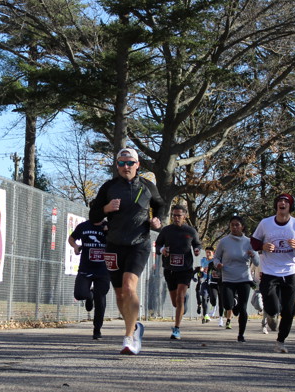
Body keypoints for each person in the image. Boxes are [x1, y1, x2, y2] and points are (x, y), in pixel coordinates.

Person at [88, 148, 165, 355]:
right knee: (120, 293)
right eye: (121, 163)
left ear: (137, 165)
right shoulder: (108, 187)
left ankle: (129, 337)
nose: (126, 167)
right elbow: (93, 215)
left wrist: (158, 220)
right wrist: (106, 209)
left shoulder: (147, 186)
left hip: (139, 243)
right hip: (114, 245)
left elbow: (159, 205)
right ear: (117, 166)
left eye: (130, 163)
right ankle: (134, 326)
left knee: (129, 286)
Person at [250, 193, 295, 353]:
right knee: (271, 305)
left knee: (288, 310)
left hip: (290, 271)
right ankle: (271, 314)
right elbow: (254, 241)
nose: (282, 203)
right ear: (276, 205)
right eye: (280, 201)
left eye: (286, 201)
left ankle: (280, 341)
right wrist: (262, 246)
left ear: (290, 206)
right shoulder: (265, 223)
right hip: (269, 271)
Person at [155, 205, 201, 340]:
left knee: (180, 297)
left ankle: (176, 329)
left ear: (184, 216)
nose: (176, 218)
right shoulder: (166, 230)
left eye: (178, 215)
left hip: (185, 269)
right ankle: (183, 301)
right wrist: (162, 250)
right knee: (176, 303)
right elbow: (158, 245)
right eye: (174, 215)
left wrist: (197, 250)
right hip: (170, 269)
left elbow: (197, 244)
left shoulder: (190, 231)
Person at [212, 216, 260, 342]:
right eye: (232, 225)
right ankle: (234, 304)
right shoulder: (224, 242)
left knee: (242, 308)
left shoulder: (249, 242)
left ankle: (241, 334)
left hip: (244, 278)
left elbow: (257, 261)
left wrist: (253, 255)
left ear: (242, 226)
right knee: (228, 305)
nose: (234, 227)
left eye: (237, 225)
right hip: (228, 278)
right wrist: (218, 264)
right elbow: (216, 257)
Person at [68, 217, 110, 340]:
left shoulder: (110, 226)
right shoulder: (83, 226)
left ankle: (97, 329)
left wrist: (108, 231)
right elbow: (71, 238)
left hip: (103, 269)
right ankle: (90, 295)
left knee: (100, 299)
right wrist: (75, 246)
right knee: (79, 294)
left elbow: (118, 241)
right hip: (86, 267)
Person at [196, 246, 217, 322]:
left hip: (214, 282)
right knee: (204, 297)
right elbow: (201, 268)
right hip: (205, 281)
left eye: (209, 252)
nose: (208, 254)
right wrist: (201, 270)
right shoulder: (203, 260)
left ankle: (213, 307)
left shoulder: (215, 261)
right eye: (206, 252)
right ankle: (206, 315)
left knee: (212, 299)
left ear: (213, 253)